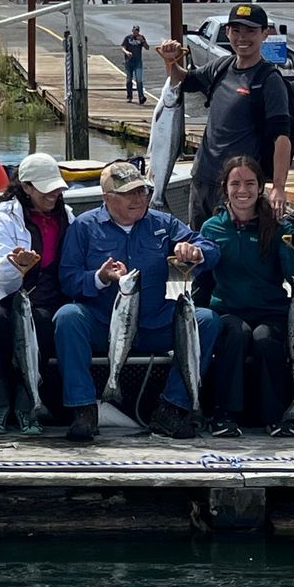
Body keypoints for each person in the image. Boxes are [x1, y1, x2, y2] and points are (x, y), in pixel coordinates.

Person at [56, 160, 221, 441]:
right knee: (68, 317)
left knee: (206, 321)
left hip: (156, 323)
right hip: (105, 324)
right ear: (107, 198)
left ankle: (172, 407)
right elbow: (68, 279)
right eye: (129, 193)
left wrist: (195, 251)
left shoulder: (163, 222)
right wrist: (100, 277)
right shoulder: (84, 227)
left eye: (142, 192)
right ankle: (83, 409)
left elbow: (211, 248)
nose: (138, 198)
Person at [199, 155, 294, 437]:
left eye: (250, 183)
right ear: (225, 187)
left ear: (261, 188)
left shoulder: (278, 227)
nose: (242, 190)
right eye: (235, 183)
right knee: (236, 334)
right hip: (229, 308)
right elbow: (203, 276)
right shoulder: (212, 228)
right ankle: (224, 413)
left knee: (264, 338)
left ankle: (276, 415)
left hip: (270, 310)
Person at [156, 2, 294, 226]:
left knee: (229, 247)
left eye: (251, 31)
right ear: (228, 32)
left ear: (265, 34)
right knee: (200, 245)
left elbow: (282, 138)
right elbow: (184, 80)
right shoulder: (221, 67)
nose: (242, 37)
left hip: (237, 186)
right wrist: (170, 60)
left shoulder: (269, 80)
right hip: (202, 178)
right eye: (236, 30)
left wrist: (278, 187)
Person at [0, 153, 70, 435]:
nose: (54, 194)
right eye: (46, 188)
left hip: (49, 297)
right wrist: (17, 266)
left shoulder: (68, 216)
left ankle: (28, 403)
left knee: (42, 321)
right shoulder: (2, 217)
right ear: (26, 187)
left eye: (57, 188)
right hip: (8, 293)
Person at [120, 25, 148, 104]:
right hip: (129, 61)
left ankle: (141, 97)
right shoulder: (128, 38)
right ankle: (129, 96)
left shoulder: (141, 38)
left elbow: (147, 47)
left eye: (137, 31)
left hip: (138, 62)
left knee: (139, 80)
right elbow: (123, 47)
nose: (136, 32)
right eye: (135, 30)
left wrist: (143, 41)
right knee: (129, 79)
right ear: (132, 30)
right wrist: (127, 52)